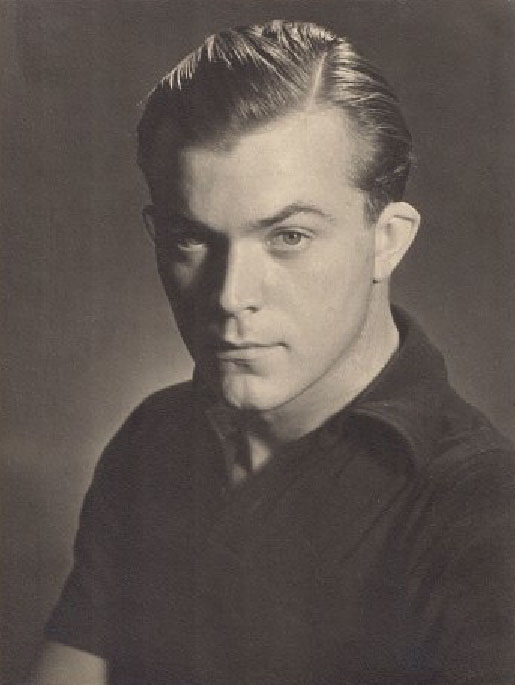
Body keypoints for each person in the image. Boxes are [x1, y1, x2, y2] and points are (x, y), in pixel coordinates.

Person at [32, 20, 515, 685]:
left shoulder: (481, 508)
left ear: (387, 240)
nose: (231, 296)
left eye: (288, 236)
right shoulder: (153, 438)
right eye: (191, 238)